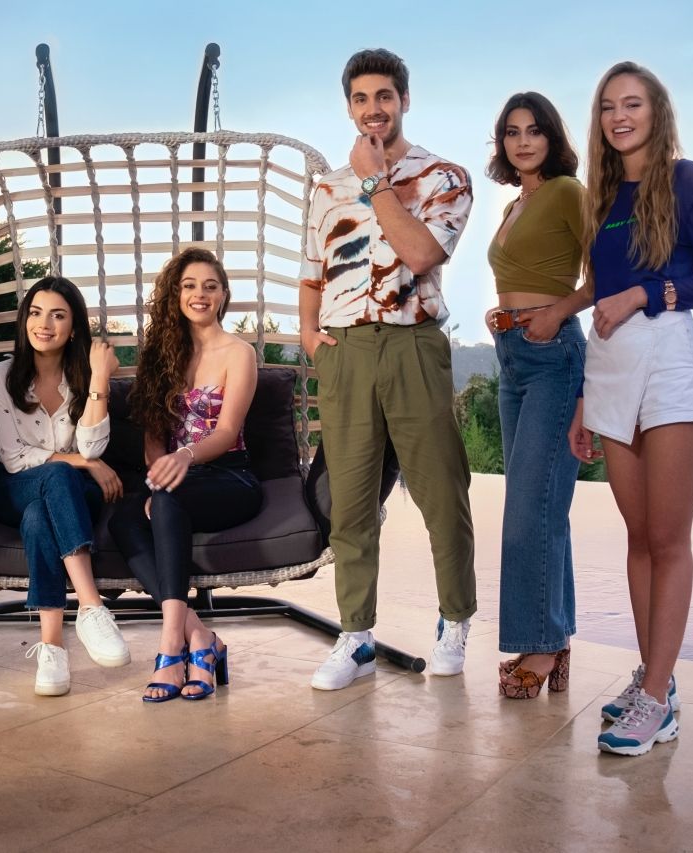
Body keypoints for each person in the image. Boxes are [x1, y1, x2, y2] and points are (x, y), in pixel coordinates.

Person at [571, 62, 693, 755]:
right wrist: (585, 396)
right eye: (608, 106)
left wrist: (650, 292)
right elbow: (599, 296)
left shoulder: (684, 179)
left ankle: (657, 697)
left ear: (656, 111)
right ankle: (654, 682)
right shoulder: (601, 196)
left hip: (668, 354)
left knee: (669, 539)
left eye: (632, 104)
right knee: (638, 537)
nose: (619, 116)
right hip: (610, 363)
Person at [298, 48, 477, 690]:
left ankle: (455, 619)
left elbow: (422, 253)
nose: (373, 109)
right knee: (350, 504)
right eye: (361, 98)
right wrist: (310, 338)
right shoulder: (326, 188)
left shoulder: (443, 177)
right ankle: (356, 637)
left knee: (441, 493)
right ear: (348, 106)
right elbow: (312, 273)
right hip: (345, 351)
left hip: (412, 345)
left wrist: (376, 184)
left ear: (404, 100)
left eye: (384, 96)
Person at [110, 248, 260, 702]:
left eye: (210, 286)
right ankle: (200, 637)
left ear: (223, 295)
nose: (200, 294)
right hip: (175, 480)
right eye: (189, 285)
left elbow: (227, 432)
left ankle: (170, 647)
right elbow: (154, 438)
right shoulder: (161, 356)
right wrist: (160, 473)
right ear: (175, 294)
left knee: (168, 501)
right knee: (124, 518)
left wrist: (184, 458)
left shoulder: (240, 353)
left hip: (229, 478)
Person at [483, 93, 590, 699]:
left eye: (534, 130)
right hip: (512, 357)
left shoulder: (568, 192)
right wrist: (504, 316)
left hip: (553, 357)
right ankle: (557, 639)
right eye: (512, 132)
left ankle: (542, 647)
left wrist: (554, 313)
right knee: (543, 508)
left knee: (528, 513)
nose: (522, 141)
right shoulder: (514, 202)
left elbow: (605, 273)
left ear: (552, 137)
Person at [0, 277, 131, 695]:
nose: (44, 324)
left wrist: (99, 378)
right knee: (56, 477)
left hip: (72, 496)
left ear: (73, 326)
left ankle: (52, 649)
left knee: (38, 518)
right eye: (35, 313)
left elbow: (92, 444)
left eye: (57, 315)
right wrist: (84, 463)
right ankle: (90, 605)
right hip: (13, 489)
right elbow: (14, 458)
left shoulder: (82, 378)